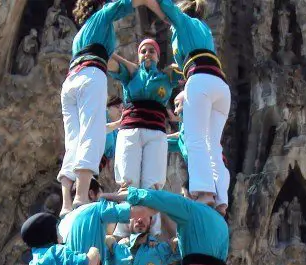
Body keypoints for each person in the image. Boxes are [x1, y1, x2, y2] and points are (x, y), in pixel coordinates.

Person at [58, 0, 149, 213]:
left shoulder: (82, 35)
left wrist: (126, 64)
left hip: (70, 81)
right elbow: (123, 4)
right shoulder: (102, 16)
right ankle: (81, 197)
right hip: (90, 75)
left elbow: (107, 55)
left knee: (73, 140)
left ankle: (65, 204)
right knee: (93, 133)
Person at [150, 0, 231, 209]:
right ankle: (222, 199)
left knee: (195, 139)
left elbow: (166, 8)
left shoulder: (184, 22)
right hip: (221, 86)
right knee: (213, 145)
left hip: (200, 80)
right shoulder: (203, 29)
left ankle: (204, 192)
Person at [109, 38, 173, 195]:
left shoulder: (167, 77)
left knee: (153, 188)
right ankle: (125, 220)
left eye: (152, 51)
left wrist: (171, 67)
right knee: (127, 185)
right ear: (138, 56)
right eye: (143, 51)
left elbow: (188, 70)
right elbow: (107, 60)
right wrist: (128, 64)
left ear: (158, 57)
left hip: (156, 133)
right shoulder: (130, 75)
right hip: (131, 130)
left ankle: (148, 220)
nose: (147, 54)